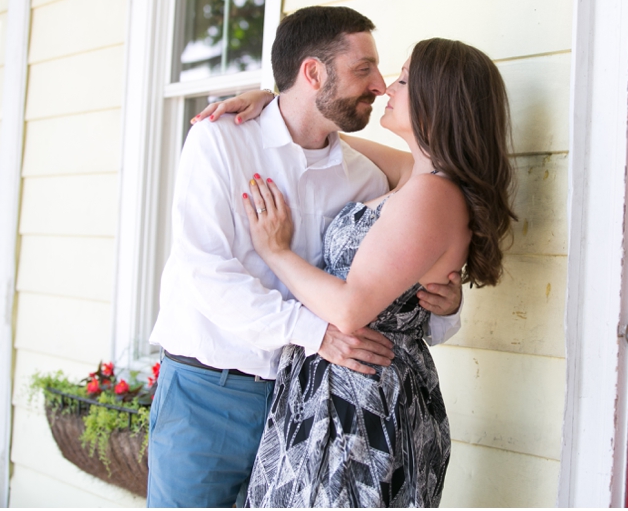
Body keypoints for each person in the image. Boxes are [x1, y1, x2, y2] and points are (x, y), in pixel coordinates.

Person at [147, 6, 464, 508]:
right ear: (313, 73)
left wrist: (444, 303)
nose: (380, 85)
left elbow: (433, 196)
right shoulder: (221, 141)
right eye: (364, 69)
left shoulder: (363, 175)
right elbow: (204, 272)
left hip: (308, 409)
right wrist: (315, 334)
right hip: (210, 394)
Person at [219, 38, 517, 507]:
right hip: (342, 393)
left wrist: (275, 251)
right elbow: (334, 136)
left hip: (359, 405)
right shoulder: (418, 178)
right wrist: (281, 108)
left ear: (436, 102)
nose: (386, 88)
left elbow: (350, 308)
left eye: (402, 79)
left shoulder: (432, 195)